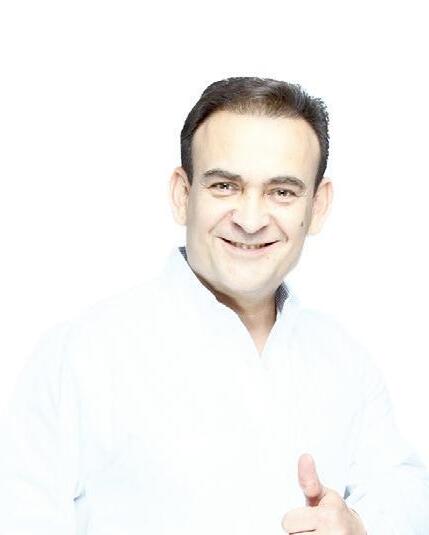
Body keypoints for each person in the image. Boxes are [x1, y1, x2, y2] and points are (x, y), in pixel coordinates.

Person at [0, 76, 428, 534]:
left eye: (282, 192)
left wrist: (359, 525)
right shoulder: (80, 356)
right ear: (182, 196)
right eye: (225, 186)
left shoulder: (345, 361)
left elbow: (405, 495)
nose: (251, 219)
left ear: (317, 206)